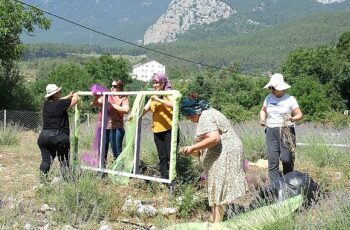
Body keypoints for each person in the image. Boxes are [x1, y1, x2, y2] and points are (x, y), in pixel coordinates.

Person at [179, 96, 247, 223]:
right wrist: (192, 150)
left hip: (225, 153)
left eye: (188, 115)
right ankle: (213, 217)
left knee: (219, 185)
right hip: (226, 151)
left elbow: (214, 139)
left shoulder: (205, 117)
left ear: (194, 111)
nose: (188, 119)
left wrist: (192, 147)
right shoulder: (208, 113)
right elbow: (204, 144)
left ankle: (217, 222)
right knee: (215, 184)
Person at [259, 73, 303, 183]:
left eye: (273, 87)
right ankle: (275, 187)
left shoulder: (290, 99)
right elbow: (263, 110)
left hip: (286, 130)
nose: (271, 90)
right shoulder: (268, 98)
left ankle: (289, 183)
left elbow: (299, 114)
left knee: (286, 159)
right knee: (272, 160)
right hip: (271, 130)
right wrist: (263, 119)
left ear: (281, 87)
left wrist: (292, 118)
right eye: (270, 87)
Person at [37, 84, 79, 181]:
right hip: (58, 136)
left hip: (44, 137)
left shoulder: (46, 104)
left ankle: (42, 182)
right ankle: (67, 181)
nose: (60, 94)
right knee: (64, 160)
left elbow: (59, 101)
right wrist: (76, 94)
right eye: (59, 92)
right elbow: (75, 100)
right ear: (55, 94)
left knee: (46, 160)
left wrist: (68, 96)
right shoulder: (61, 104)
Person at [142, 73, 174, 179]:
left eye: (157, 83)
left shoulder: (169, 93)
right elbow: (145, 109)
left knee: (171, 155)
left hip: (169, 129)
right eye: (154, 83)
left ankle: (172, 178)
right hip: (157, 130)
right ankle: (164, 178)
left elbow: (174, 104)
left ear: (163, 83)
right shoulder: (153, 97)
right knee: (162, 156)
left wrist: (158, 99)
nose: (155, 85)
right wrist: (135, 116)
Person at [91, 80, 129, 166]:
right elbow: (94, 104)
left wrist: (111, 104)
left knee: (117, 151)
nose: (112, 87)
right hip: (103, 127)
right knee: (102, 151)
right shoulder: (106, 95)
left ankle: (119, 171)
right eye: (111, 85)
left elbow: (126, 110)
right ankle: (101, 171)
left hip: (116, 128)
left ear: (120, 88)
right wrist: (96, 96)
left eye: (115, 86)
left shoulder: (123, 97)